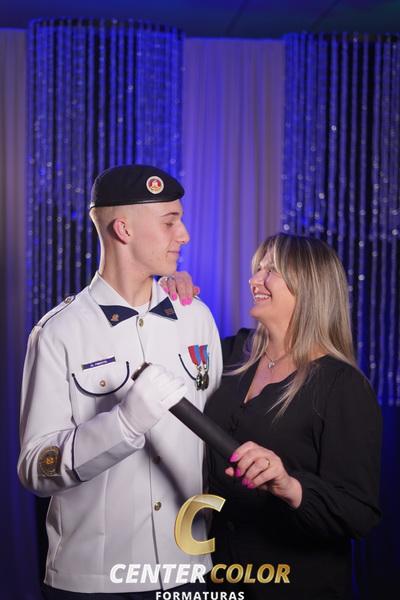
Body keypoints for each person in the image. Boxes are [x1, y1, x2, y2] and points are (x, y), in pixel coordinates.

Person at [18, 164, 223, 598]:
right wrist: (122, 425)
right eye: (170, 221)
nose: (184, 235)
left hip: (189, 571)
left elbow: (215, 436)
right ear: (124, 229)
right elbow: (37, 468)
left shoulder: (196, 318)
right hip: (95, 582)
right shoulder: (58, 332)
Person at [162, 233, 382, 599]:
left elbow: (359, 513)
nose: (255, 280)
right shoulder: (233, 352)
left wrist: (288, 485)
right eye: (257, 269)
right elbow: (163, 357)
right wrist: (170, 298)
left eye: (271, 270)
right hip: (219, 578)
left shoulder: (341, 385)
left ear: (309, 286)